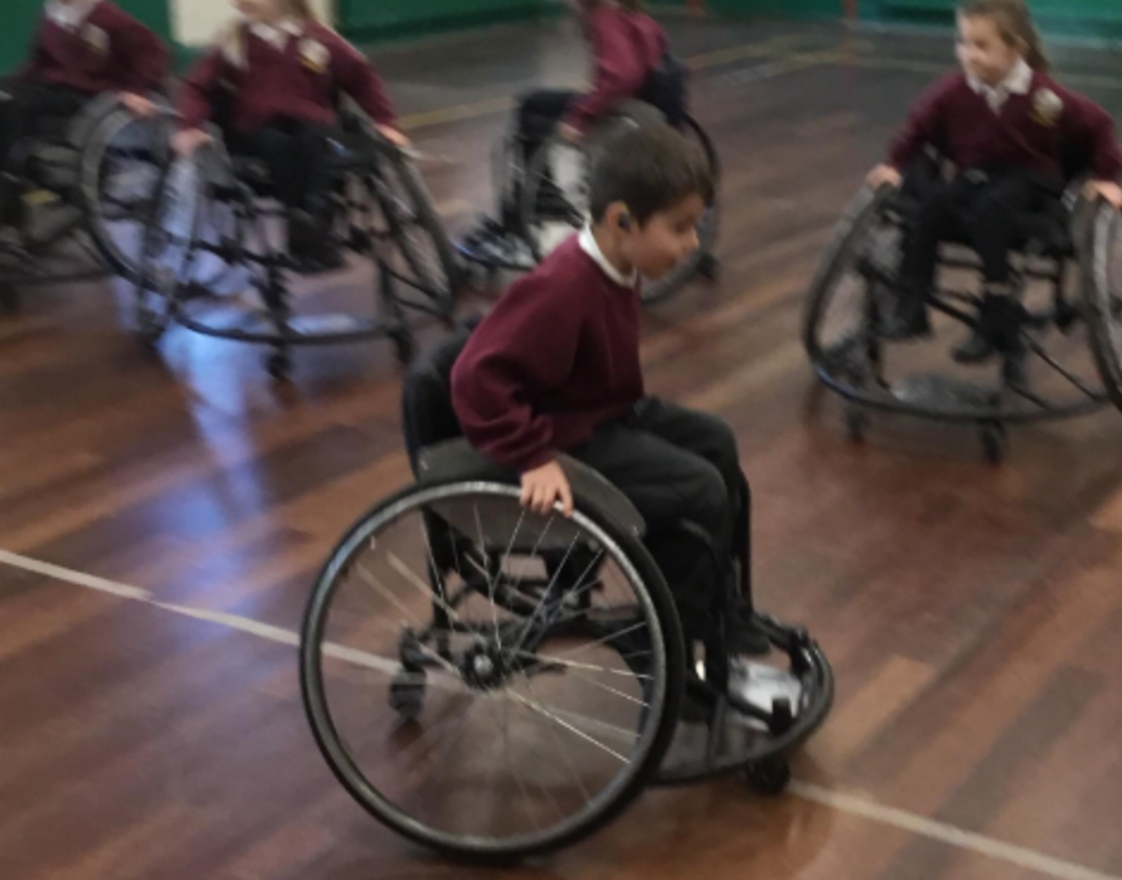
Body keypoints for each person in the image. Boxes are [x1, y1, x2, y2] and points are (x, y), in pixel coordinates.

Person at [451, 123, 764, 653]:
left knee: (717, 441)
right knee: (699, 490)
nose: (692, 243)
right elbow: (474, 375)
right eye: (681, 227)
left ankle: (721, 608)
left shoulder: (619, 261)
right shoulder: (562, 286)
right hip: (564, 435)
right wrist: (532, 456)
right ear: (622, 220)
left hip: (603, 410)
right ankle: (673, 649)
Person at [867, 0, 1122, 369]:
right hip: (979, 177)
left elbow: (1098, 125)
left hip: (1033, 183)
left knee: (992, 210)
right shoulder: (954, 91)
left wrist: (1107, 177)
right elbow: (917, 125)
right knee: (933, 205)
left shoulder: (1042, 97)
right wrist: (894, 163)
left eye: (981, 45)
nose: (968, 54)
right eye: (963, 42)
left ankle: (996, 310)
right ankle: (913, 304)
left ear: (1016, 49)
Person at [173, 0, 408, 272]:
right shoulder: (234, 41)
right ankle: (305, 231)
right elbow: (196, 86)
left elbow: (362, 78)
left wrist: (384, 121)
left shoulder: (319, 39)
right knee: (280, 145)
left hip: (312, 126)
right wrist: (191, 125)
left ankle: (313, 223)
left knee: (315, 140)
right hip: (254, 130)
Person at [462, 0, 680, 261]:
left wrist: (579, 117)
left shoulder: (603, 16)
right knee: (536, 103)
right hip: (650, 107)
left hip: (628, 112)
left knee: (532, 111)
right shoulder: (629, 9)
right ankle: (541, 199)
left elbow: (623, 75)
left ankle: (542, 202)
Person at [0, 0, 168, 237]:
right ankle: (10, 196)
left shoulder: (104, 15)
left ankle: (9, 203)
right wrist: (11, 85)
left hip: (90, 95)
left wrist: (137, 91)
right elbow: (39, 62)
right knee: (6, 102)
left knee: (19, 109)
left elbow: (154, 51)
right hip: (53, 89)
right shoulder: (52, 14)